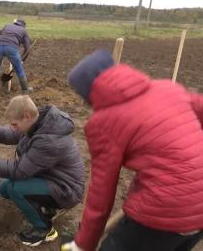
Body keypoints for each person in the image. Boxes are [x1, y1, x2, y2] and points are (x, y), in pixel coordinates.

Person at [62, 50, 203, 251]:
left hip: (163, 212)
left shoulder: (103, 123)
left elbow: (100, 196)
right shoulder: (167, 88)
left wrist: (83, 244)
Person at [0, 95, 85, 246]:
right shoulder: (38, 124)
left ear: (26, 116)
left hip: (66, 189)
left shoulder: (49, 140)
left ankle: (44, 230)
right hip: (49, 178)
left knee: (15, 189)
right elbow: (10, 134)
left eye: (15, 124)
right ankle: (45, 207)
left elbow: (19, 171)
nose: (13, 128)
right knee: (5, 188)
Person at [0, 19, 31, 93]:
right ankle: (25, 90)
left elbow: (2, 34)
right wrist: (22, 60)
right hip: (11, 48)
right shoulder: (23, 30)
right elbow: (28, 49)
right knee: (19, 69)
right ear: (24, 25)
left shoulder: (7, 26)